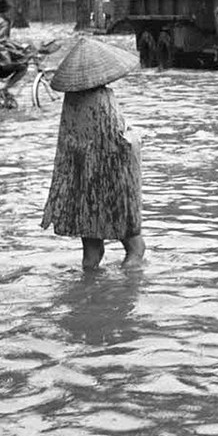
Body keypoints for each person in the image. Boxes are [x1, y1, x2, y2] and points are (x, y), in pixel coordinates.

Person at [41, 37, 145, 269]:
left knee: (91, 255)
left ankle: (87, 297)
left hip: (83, 187)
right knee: (135, 248)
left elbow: (72, 142)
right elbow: (119, 140)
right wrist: (137, 136)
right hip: (111, 184)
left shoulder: (71, 102)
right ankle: (128, 292)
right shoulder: (103, 98)